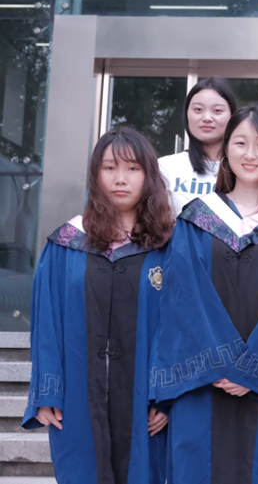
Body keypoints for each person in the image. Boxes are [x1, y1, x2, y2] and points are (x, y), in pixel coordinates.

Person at [149, 104, 258, 483]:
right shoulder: (196, 218)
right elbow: (184, 299)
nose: (250, 154)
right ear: (226, 151)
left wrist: (251, 372)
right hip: (202, 382)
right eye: (240, 143)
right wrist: (223, 365)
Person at [23, 127, 174, 482]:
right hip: (77, 396)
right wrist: (47, 391)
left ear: (149, 176)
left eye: (133, 168)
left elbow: (179, 326)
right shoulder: (65, 244)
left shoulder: (170, 246)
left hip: (145, 401)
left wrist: (167, 395)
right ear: (95, 174)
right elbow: (47, 323)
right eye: (109, 168)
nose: (120, 179)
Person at [159, 76, 237, 216]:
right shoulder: (165, 167)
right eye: (198, 109)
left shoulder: (243, 169)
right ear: (187, 114)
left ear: (232, 116)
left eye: (217, 111)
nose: (207, 118)